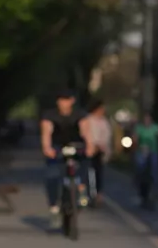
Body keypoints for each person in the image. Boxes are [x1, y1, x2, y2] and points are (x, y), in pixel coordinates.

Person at [40, 90, 95, 226]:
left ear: (72, 101)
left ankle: (83, 192)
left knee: (84, 167)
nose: (63, 103)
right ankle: (54, 207)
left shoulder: (80, 115)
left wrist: (90, 147)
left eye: (66, 100)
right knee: (52, 175)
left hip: (77, 146)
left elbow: (86, 132)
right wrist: (47, 148)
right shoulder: (50, 116)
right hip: (57, 148)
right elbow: (46, 133)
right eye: (61, 100)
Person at [132, 113, 158, 201]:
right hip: (142, 151)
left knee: (154, 171)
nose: (146, 121)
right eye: (145, 120)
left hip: (153, 150)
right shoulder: (139, 128)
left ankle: (157, 191)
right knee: (140, 168)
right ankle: (139, 185)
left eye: (148, 120)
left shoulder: (156, 127)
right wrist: (135, 141)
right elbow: (135, 138)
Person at [85, 98, 112, 205]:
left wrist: (104, 147)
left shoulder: (104, 122)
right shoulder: (88, 120)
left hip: (100, 150)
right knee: (89, 173)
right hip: (90, 149)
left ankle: (98, 194)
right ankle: (90, 194)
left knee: (99, 173)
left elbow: (107, 136)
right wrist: (92, 144)